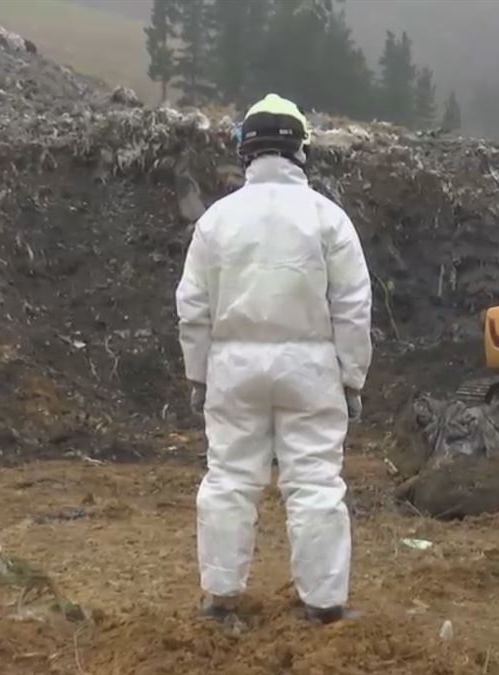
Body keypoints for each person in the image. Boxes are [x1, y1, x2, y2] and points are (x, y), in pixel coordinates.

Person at [175, 93, 371, 625]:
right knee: (314, 484)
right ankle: (325, 606)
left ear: (246, 150)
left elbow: (192, 305)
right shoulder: (328, 219)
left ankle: (220, 601)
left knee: (229, 479)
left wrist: (198, 373)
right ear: (300, 150)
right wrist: (351, 377)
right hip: (311, 370)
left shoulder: (217, 221)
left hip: (232, 369)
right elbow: (352, 307)